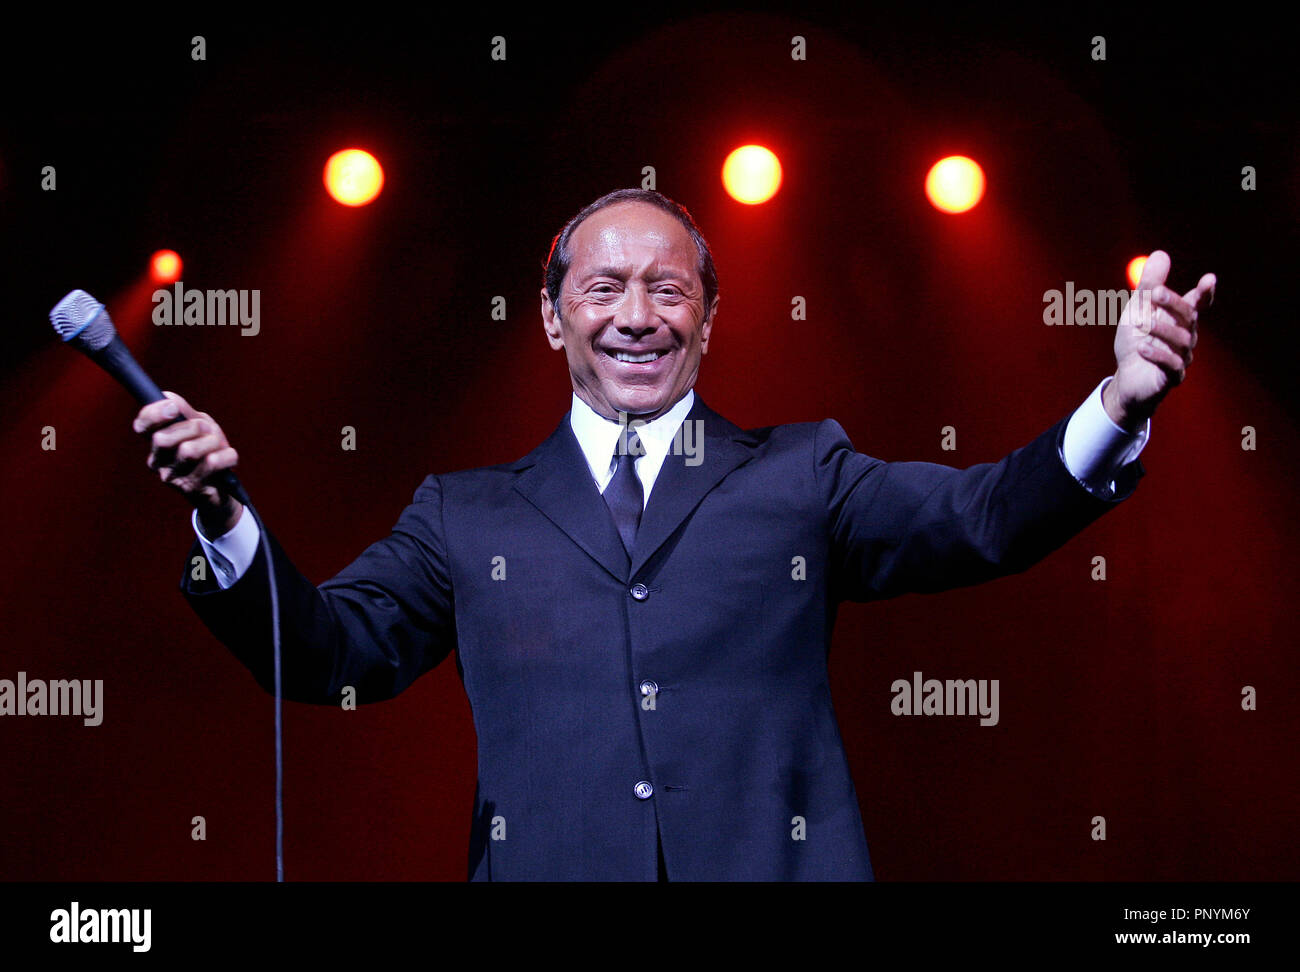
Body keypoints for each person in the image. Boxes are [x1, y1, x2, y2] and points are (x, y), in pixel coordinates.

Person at [133, 188, 1214, 880]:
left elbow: (981, 518)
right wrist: (223, 514)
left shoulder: (802, 473)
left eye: (668, 288)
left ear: (709, 317)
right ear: (554, 317)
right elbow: (327, 654)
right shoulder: (464, 514)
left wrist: (1115, 406)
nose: (637, 313)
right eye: (603, 289)